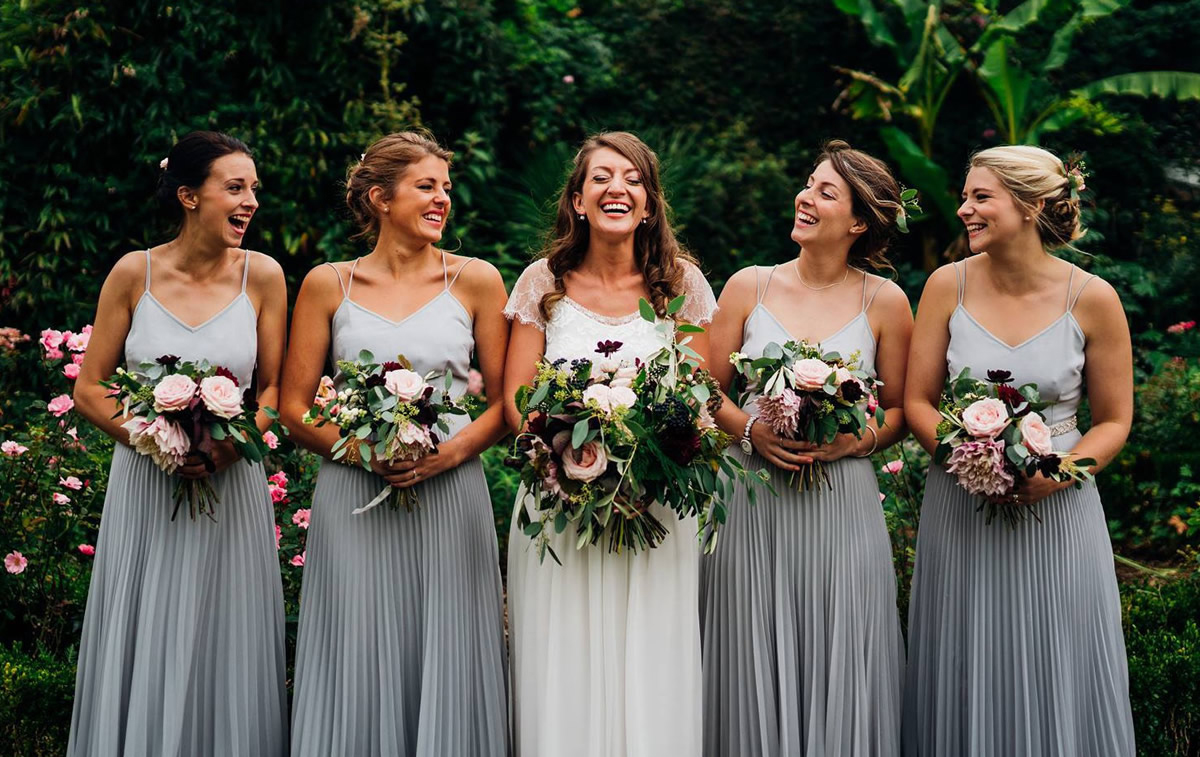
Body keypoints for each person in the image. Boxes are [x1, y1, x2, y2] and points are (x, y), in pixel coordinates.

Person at [280, 131, 510, 757]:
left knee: (451, 643)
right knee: (355, 643)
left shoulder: (478, 281)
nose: (443, 200)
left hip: (450, 494)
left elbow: (505, 405)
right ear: (380, 197)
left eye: (447, 189)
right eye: (427, 187)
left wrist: (449, 455)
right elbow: (292, 407)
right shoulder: (330, 284)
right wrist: (360, 453)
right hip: (353, 497)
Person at [902, 145, 1135, 755]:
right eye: (965, 196)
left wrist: (1061, 472)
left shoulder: (1093, 298)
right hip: (960, 507)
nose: (964, 210)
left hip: (1059, 509)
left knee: (1057, 652)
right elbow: (919, 400)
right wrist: (973, 463)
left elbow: (1113, 420)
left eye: (981, 197)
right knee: (963, 655)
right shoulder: (943, 286)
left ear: (1030, 207)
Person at [68, 131, 289, 756]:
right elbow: (91, 388)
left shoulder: (264, 277)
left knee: (227, 633)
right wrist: (156, 438)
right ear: (189, 196)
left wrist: (234, 441)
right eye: (235, 188)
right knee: (147, 627)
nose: (250, 202)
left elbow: (272, 389)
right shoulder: (132, 273)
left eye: (254, 191)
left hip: (231, 480)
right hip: (146, 481)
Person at [503, 131, 717, 756]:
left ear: (649, 204)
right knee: (559, 649)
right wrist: (571, 454)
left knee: (653, 650)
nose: (615, 188)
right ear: (576, 200)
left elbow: (698, 398)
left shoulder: (682, 286)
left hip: (656, 506)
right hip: (559, 505)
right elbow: (519, 402)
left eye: (631, 179)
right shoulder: (543, 282)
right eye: (599, 177)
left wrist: (642, 456)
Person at [701, 140, 912, 756]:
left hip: (840, 499)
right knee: (749, 644)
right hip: (753, 495)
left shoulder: (887, 302)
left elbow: (901, 409)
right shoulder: (748, 287)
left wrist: (859, 440)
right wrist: (750, 430)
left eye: (826, 191)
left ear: (857, 222)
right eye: (808, 183)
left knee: (841, 642)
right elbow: (709, 392)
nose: (805, 197)